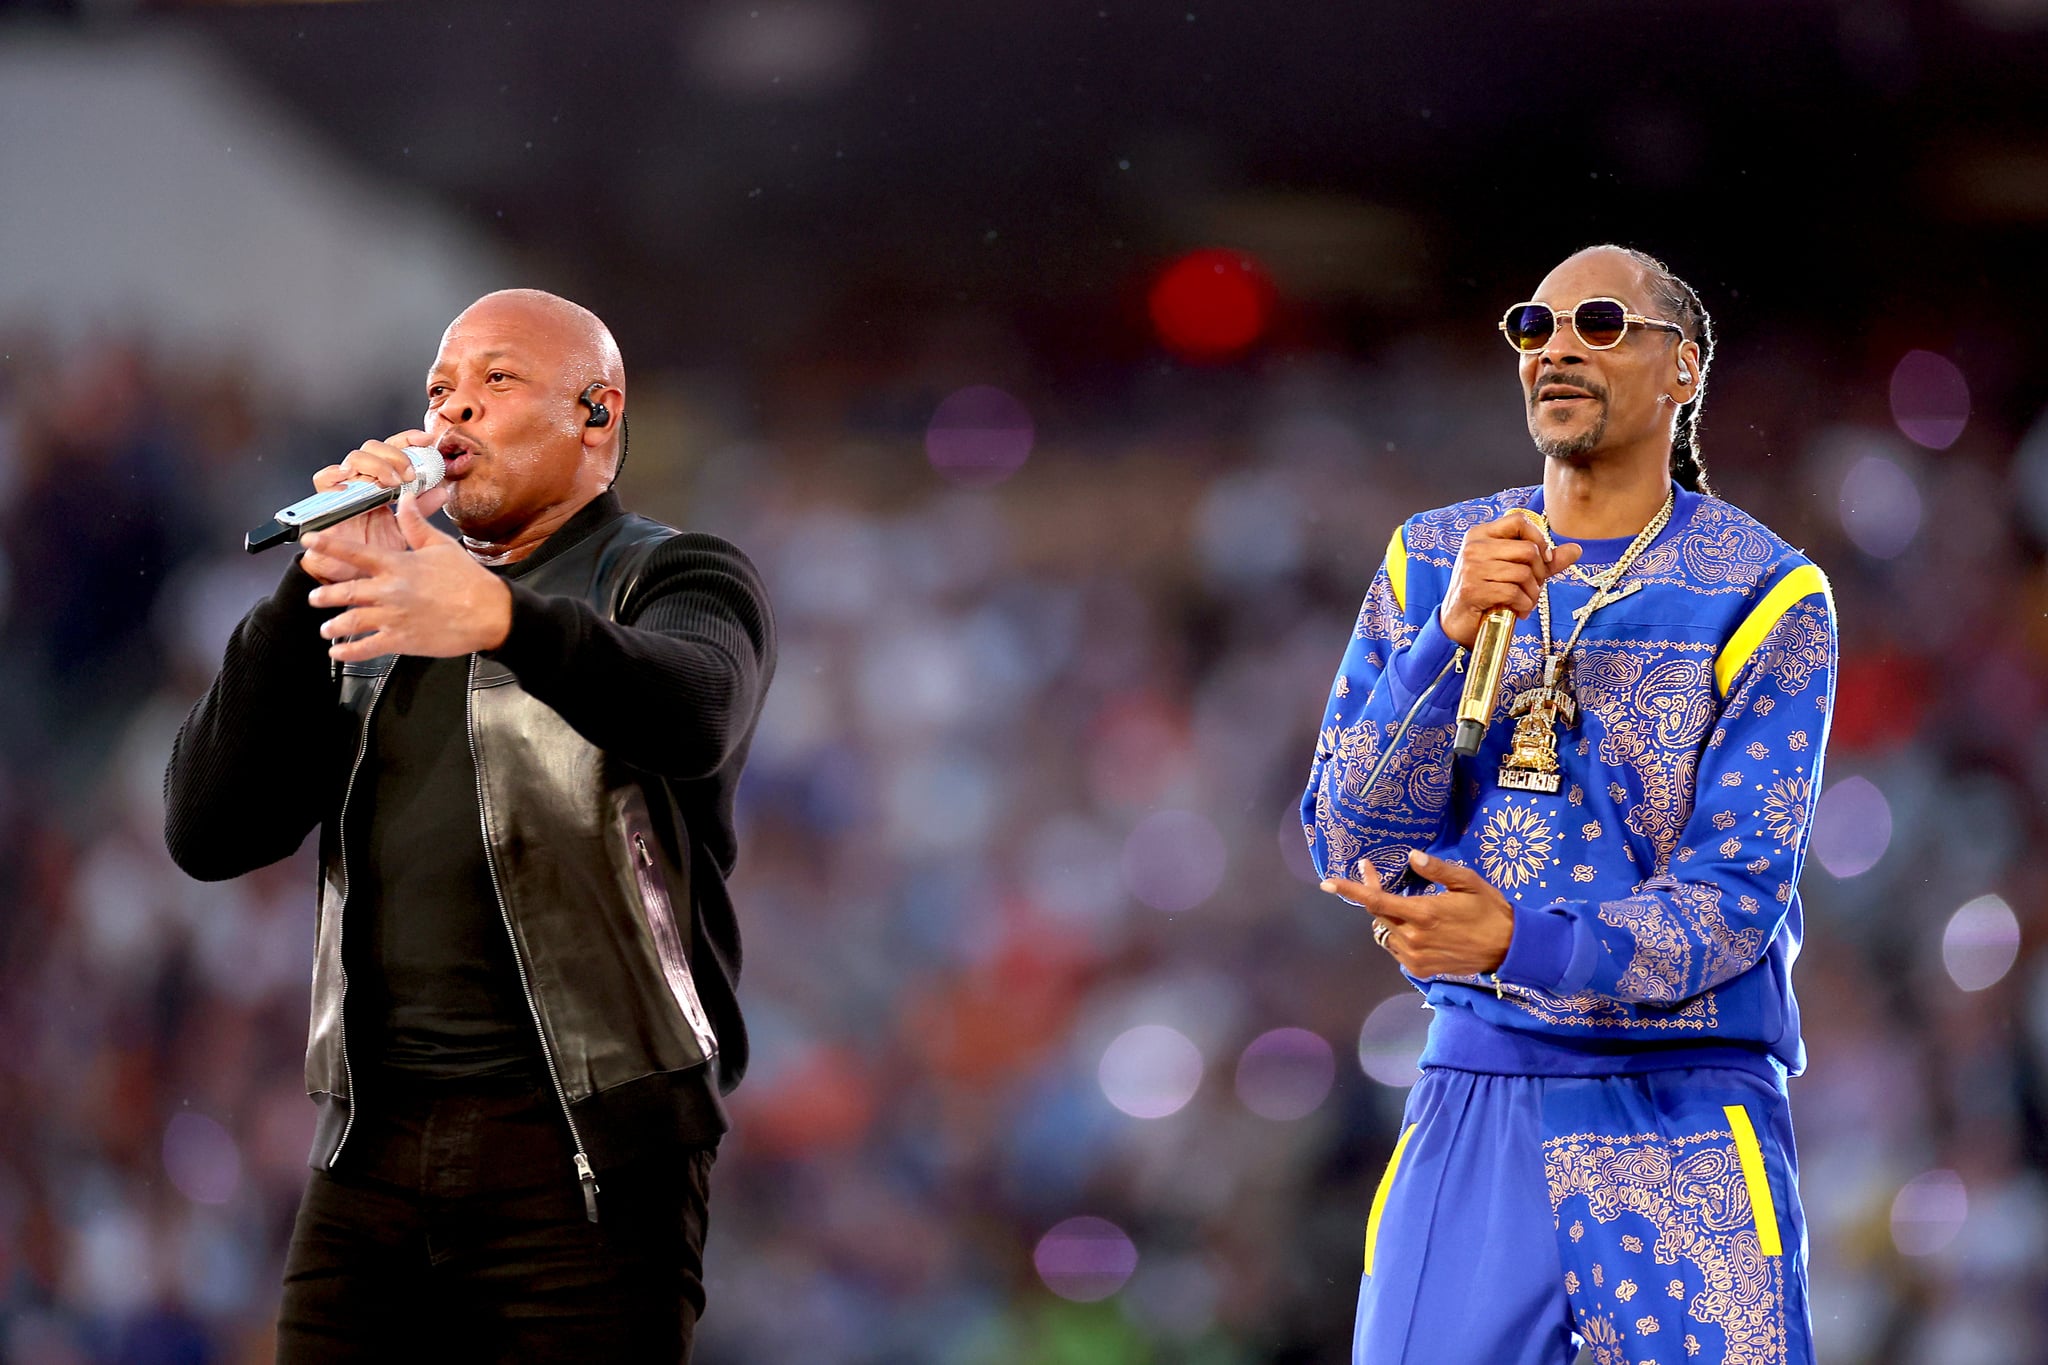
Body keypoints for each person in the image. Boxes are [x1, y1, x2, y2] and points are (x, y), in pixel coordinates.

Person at [164, 289, 776, 1362]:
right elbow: (209, 831)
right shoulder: (380, 606)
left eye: (496, 382)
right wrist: (321, 575)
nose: (452, 415)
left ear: (596, 412)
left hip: (585, 1157)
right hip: (369, 1152)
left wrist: (503, 619)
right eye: (439, 389)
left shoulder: (667, 573)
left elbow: (698, 708)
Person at [1302, 246, 1834, 1365]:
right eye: (1531, 327)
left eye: (1599, 322)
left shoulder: (1763, 591)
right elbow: (1343, 836)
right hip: (1471, 1089)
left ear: (1681, 368)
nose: (1557, 346)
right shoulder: (1429, 561)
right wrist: (1438, 645)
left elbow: (1733, 899)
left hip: (1681, 1109)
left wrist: (1517, 939)